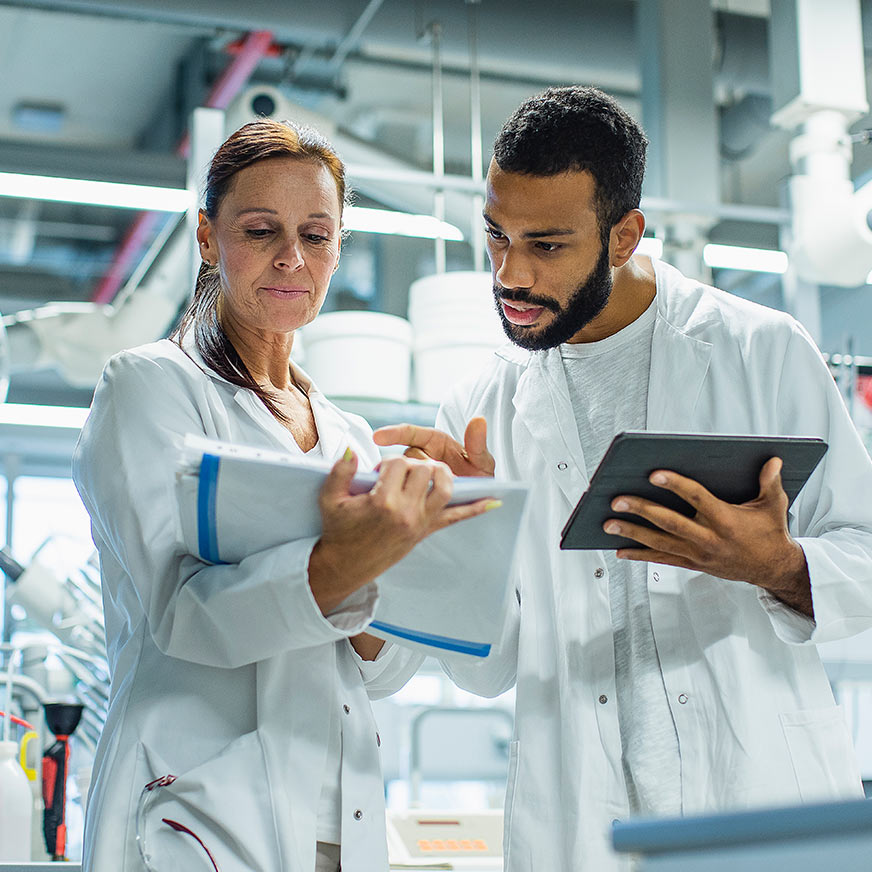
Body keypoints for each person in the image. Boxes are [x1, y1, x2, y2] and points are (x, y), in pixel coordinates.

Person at [375, 86, 872, 871]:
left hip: (756, 799)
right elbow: (490, 664)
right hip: (579, 823)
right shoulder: (480, 407)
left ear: (623, 235)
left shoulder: (760, 351)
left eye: (546, 246)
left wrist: (777, 566)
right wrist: (448, 551)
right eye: (495, 237)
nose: (510, 274)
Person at [71, 119, 490, 872]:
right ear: (208, 237)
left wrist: (441, 539)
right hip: (199, 808)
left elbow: (378, 670)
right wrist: (342, 561)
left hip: (339, 817)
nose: (293, 258)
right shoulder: (150, 389)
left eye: (317, 235)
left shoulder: (349, 435)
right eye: (261, 230)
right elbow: (182, 613)